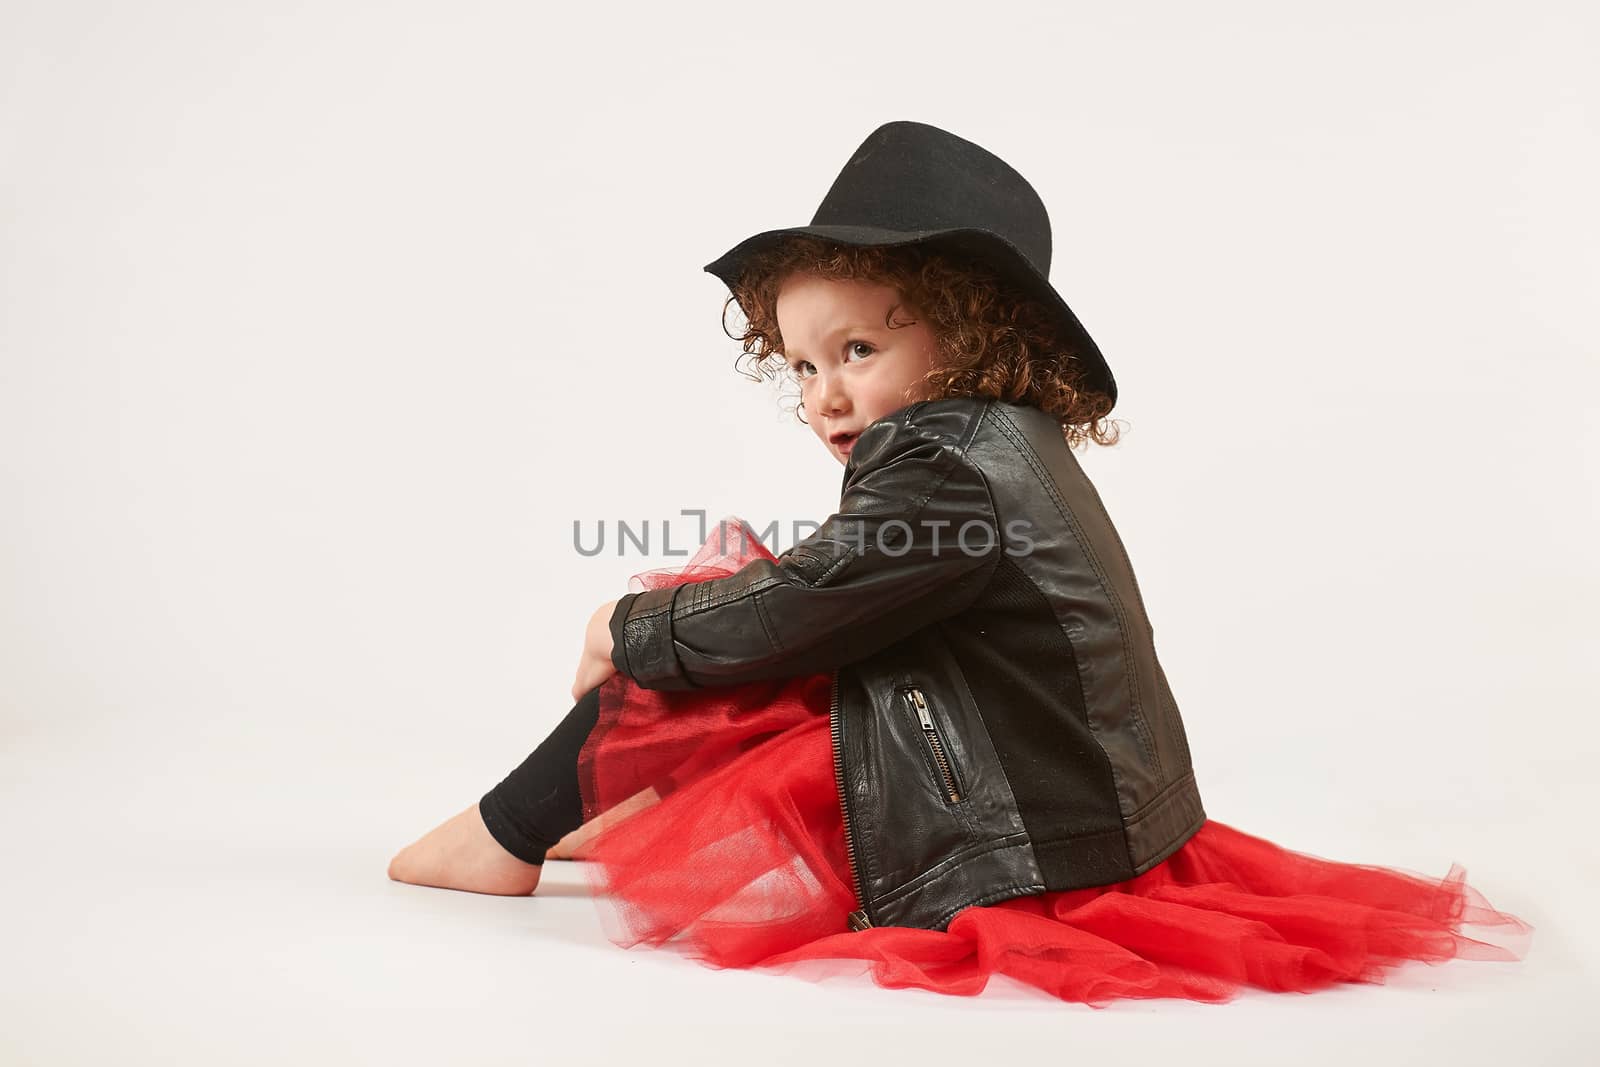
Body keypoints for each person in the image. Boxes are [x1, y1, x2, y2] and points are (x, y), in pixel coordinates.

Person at [387, 121, 1532, 1006]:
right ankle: (598, 802)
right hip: (1051, 781)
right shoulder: (980, 441)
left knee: (707, 627)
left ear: (970, 334)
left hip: (1020, 830)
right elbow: (842, 585)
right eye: (797, 365)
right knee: (736, 612)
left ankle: (502, 833)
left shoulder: (948, 472)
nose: (822, 393)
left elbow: (804, 605)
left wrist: (622, 629)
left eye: (858, 350)